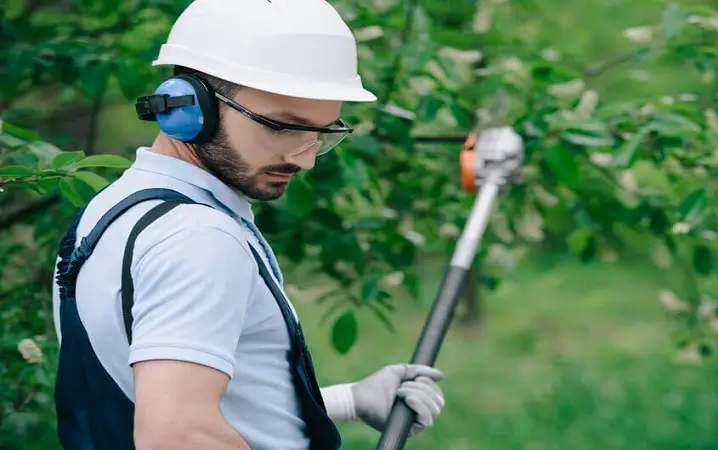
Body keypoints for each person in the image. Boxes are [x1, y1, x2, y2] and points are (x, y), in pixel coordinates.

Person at [50, 0, 446, 448]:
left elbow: (143, 399)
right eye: (282, 127)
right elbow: (177, 433)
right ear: (187, 107)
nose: (307, 158)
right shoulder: (199, 239)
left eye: (322, 133)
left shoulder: (112, 212)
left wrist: (347, 400)